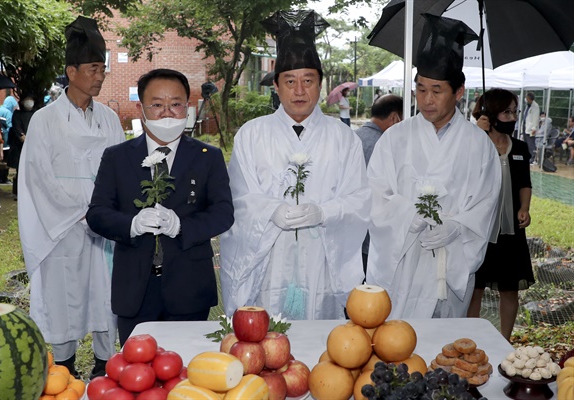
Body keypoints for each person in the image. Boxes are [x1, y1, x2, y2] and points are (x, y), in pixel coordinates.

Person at [220, 10, 371, 320]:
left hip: (322, 261)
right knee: (267, 345)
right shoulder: (252, 134)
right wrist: (270, 210)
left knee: (323, 346)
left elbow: (359, 200)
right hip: (269, 259)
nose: (299, 90)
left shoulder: (344, 138)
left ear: (320, 84)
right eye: (290, 81)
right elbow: (238, 198)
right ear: (276, 86)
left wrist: (324, 212)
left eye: (308, 81)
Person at [365, 14, 501, 319]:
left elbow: (485, 203)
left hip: (449, 264)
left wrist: (457, 227)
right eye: (420, 89)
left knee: (443, 350)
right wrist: (405, 217)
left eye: (437, 90)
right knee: (394, 344)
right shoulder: (395, 138)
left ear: (459, 92)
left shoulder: (479, 146)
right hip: (401, 264)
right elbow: (374, 193)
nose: (426, 100)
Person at [86, 68, 234, 344]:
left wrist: (182, 226)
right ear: (141, 108)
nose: (167, 112)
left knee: (187, 373)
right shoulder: (117, 157)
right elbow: (96, 214)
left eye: (176, 104)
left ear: (187, 107)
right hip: (134, 290)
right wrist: (131, 224)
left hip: (189, 287)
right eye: (156, 105)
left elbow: (223, 213)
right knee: (138, 374)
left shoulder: (208, 157)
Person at [18, 16, 123, 378]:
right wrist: (79, 214)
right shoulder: (44, 120)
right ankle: (63, 367)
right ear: (71, 71)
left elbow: (121, 171)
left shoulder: (109, 119)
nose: (100, 76)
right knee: (64, 294)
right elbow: (38, 179)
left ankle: (104, 363)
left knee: (105, 293)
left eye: (103, 69)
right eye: (93, 69)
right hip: (62, 227)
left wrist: (104, 214)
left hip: (103, 226)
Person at [466, 89, 534, 341]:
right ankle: (469, 339)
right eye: (506, 111)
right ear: (490, 113)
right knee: (475, 289)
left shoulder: (520, 148)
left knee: (510, 289)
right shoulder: (476, 143)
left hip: (511, 231)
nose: (512, 117)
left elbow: (525, 183)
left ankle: (504, 340)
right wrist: (477, 134)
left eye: (514, 111)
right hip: (481, 230)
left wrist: (524, 208)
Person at [354, 94, 403, 272]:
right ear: (394, 118)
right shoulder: (384, 145)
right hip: (372, 237)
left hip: (351, 234)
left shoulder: (353, 137)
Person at [8, 94, 36, 199]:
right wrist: (23, 138)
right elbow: (17, 129)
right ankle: (18, 192)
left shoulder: (36, 113)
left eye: (30, 99)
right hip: (20, 147)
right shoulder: (17, 114)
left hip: (34, 146)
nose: (29, 102)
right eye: (26, 99)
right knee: (20, 170)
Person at [0, 95, 18, 184]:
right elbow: (10, 126)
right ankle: (4, 178)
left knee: (0, 161)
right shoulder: (8, 113)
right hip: (6, 140)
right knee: (6, 161)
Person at [522, 92, 540, 163]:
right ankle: (527, 156)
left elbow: (535, 118)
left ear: (530, 98)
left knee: (531, 143)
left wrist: (534, 128)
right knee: (526, 143)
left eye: (527, 98)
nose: (526, 99)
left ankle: (532, 158)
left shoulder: (535, 106)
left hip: (531, 128)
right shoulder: (528, 105)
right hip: (525, 126)